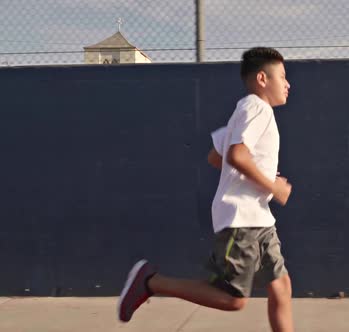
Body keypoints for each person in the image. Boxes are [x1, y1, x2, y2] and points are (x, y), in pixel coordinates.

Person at [117, 47, 294, 332]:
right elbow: (236, 156)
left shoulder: (246, 111)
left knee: (281, 286)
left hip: (259, 218)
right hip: (242, 220)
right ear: (262, 78)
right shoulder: (257, 108)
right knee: (233, 298)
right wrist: (272, 184)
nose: (288, 83)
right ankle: (150, 282)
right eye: (283, 76)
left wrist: (258, 172)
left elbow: (216, 156)